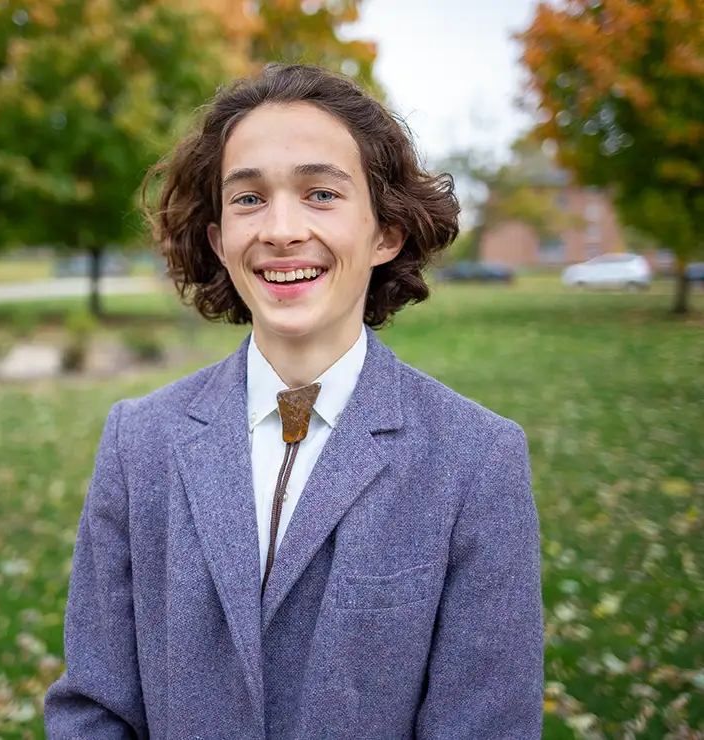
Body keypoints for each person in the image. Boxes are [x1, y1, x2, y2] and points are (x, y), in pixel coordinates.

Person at [44, 63, 544, 739]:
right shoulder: (141, 441)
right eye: (249, 199)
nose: (281, 229)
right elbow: (93, 709)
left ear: (384, 233)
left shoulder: (475, 457)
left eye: (321, 194)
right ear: (219, 241)